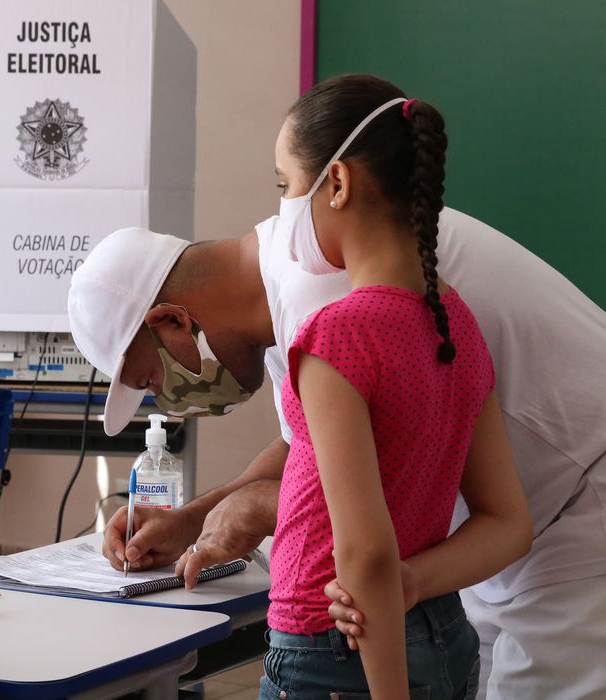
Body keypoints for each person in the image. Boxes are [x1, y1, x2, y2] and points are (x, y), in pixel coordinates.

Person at [67, 85, 606, 698]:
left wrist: (257, 506)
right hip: (475, 558)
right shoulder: (310, 288)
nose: (166, 400)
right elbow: (316, 443)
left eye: (151, 379)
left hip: (577, 502)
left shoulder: (327, 290)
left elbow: (357, 513)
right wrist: (196, 517)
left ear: (170, 321)